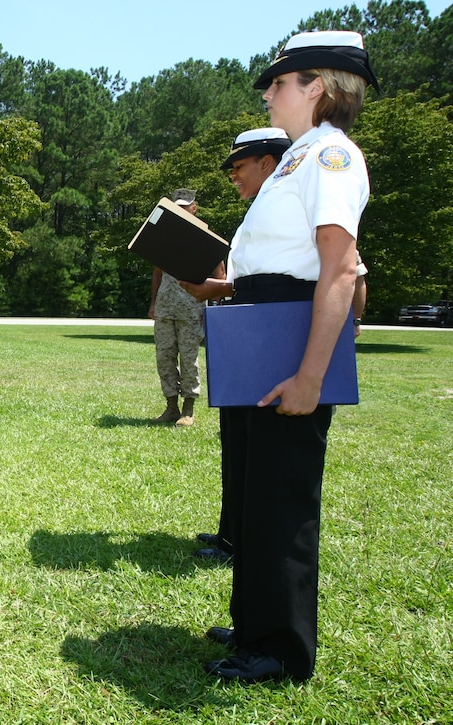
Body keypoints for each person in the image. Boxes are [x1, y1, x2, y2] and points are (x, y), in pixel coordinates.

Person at [196, 31, 377, 684]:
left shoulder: (332, 156)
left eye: (279, 83)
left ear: (318, 88)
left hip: (290, 336)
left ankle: (281, 646)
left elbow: (336, 272)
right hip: (263, 327)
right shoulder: (302, 159)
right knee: (254, 493)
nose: (269, 94)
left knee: (283, 498)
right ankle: (254, 621)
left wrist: (311, 374)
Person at [182, 128, 292, 564]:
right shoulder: (257, 212)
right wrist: (217, 288)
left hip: (267, 339)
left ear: (268, 162)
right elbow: (247, 281)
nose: (232, 176)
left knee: (258, 450)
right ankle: (232, 535)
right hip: (245, 335)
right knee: (238, 443)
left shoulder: (288, 206)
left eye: (238, 166)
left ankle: (242, 542)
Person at [148, 189, 223, 427]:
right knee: (165, 358)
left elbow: (220, 276)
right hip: (165, 309)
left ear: (194, 208)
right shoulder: (165, 239)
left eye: (185, 206)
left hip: (192, 310)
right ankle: (171, 407)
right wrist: (153, 304)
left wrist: (214, 310)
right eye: (176, 207)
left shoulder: (206, 238)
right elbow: (157, 273)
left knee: (189, 359)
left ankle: (188, 410)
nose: (181, 210)